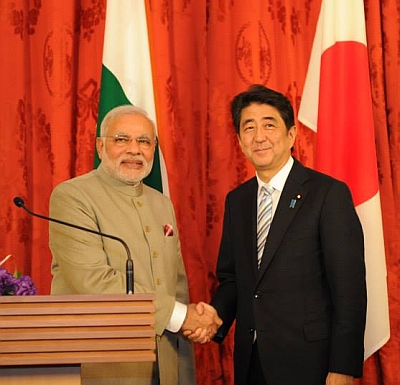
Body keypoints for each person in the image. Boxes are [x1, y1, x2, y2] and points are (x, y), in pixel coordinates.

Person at [191, 85, 367, 385]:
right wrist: (214, 316)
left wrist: (343, 366)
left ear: (292, 134)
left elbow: (349, 288)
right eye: (249, 127)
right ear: (239, 141)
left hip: (312, 362)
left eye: (269, 125)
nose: (259, 136)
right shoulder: (238, 200)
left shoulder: (327, 193)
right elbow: (234, 278)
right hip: (252, 360)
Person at [49, 105, 221, 385]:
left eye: (144, 141)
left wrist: (189, 331)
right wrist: (181, 317)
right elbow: (94, 282)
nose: (134, 149)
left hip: (164, 364)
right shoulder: (72, 197)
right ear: (100, 146)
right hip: (105, 366)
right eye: (122, 140)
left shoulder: (161, 203)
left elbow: (175, 284)